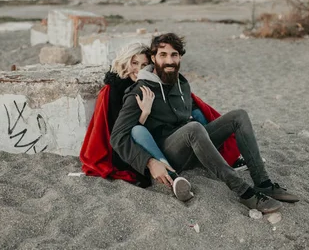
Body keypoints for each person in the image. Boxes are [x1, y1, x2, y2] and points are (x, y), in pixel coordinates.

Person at [110, 33, 299, 214]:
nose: (169, 60)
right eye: (163, 55)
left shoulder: (182, 85)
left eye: (174, 55)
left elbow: (197, 112)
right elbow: (117, 136)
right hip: (169, 154)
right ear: (154, 58)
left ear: (180, 57)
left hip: (195, 147)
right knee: (193, 128)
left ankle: (263, 183)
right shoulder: (140, 91)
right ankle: (244, 192)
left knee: (239, 116)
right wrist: (149, 162)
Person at [80, 42, 242, 201]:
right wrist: (145, 112)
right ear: (126, 62)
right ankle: (173, 176)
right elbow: (125, 133)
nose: (139, 69)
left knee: (198, 113)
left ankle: (215, 154)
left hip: (156, 134)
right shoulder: (116, 90)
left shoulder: (149, 82)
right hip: (132, 147)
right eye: (134, 63)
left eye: (144, 64)